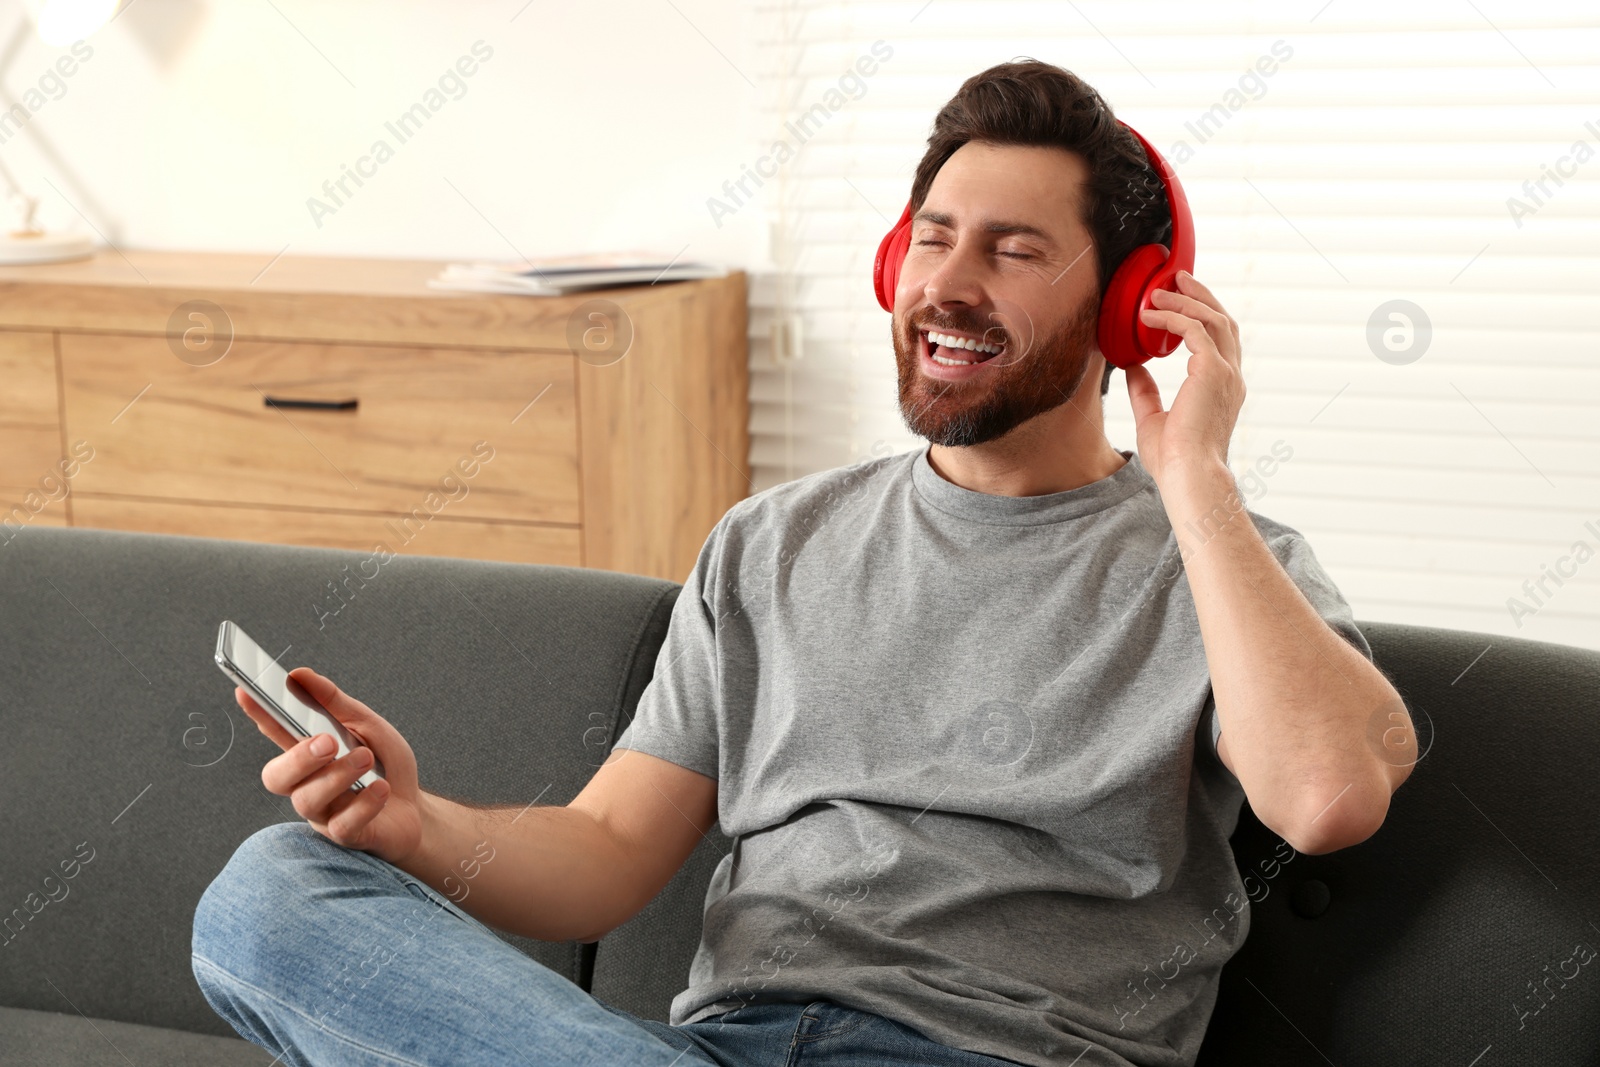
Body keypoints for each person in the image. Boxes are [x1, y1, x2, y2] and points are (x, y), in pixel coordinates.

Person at [192, 59, 1414, 1067]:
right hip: (721, 1049)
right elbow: (606, 852)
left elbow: (1324, 796)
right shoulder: (772, 542)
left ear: (1129, 310)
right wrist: (416, 826)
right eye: (932, 238)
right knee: (273, 892)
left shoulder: (1218, 566)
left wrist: (1195, 480)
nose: (947, 282)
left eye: (1013, 251)